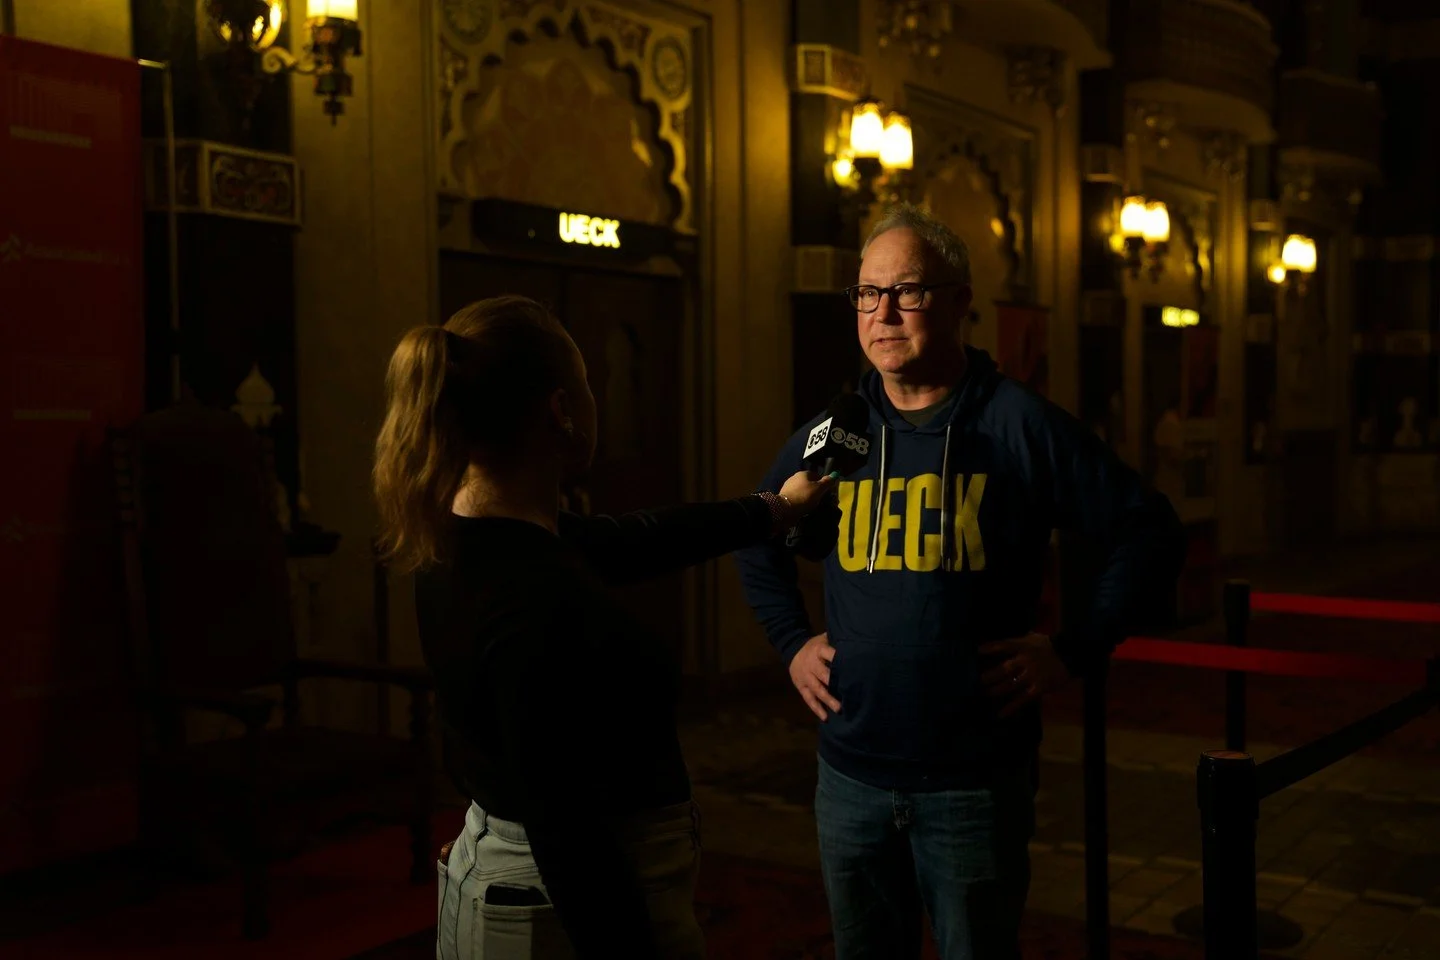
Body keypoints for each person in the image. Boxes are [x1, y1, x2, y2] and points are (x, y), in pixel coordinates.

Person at [735, 204, 1186, 959]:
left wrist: (1072, 649)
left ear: (959, 302)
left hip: (972, 787)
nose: (882, 314)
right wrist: (789, 643)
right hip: (851, 777)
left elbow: (1149, 531)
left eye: (907, 292)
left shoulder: (1019, 426)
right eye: (866, 293)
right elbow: (760, 533)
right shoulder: (838, 431)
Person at [372, 296, 836, 960]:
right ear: (562, 409)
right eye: (590, 383)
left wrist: (772, 510)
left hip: (519, 875)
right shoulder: (533, 592)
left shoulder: (478, 534)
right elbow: (568, 835)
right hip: (559, 906)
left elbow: (636, 538)